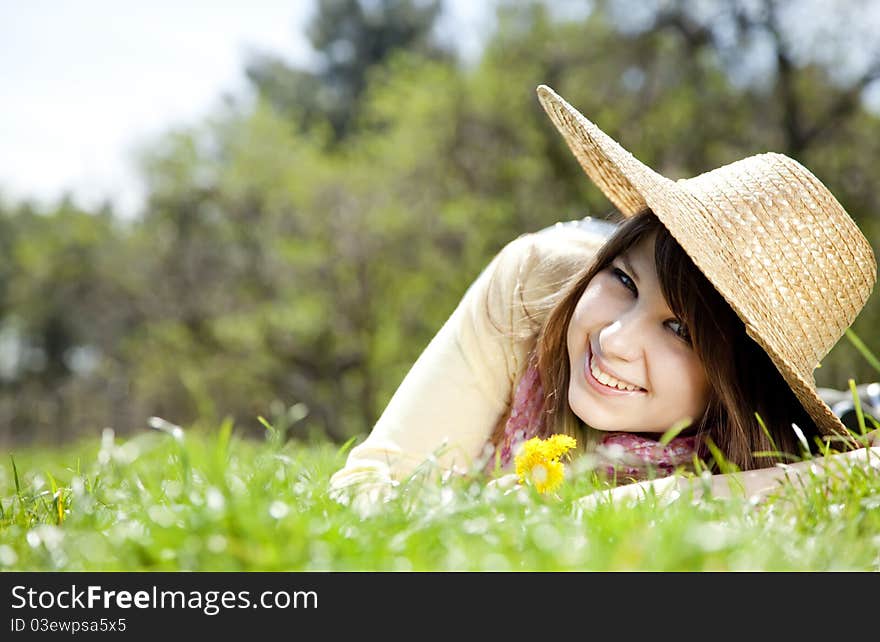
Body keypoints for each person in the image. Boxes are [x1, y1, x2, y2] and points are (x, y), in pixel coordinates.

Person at [328, 84, 879, 513]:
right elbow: (370, 486)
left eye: (680, 330)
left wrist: (629, 503)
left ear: (738, 385)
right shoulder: (532, 286)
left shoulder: (764, 441)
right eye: (623, 281)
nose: (613, 341)